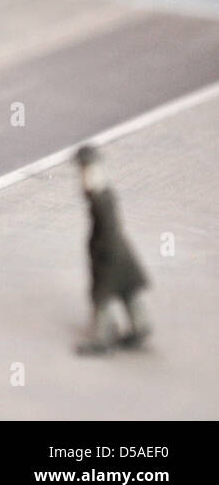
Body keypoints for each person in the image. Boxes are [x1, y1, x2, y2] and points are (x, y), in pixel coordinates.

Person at [75, 145, 151, 355]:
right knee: (127, 289)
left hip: (109, 255)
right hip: (119, 252)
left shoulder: (99, 197)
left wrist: (103, 253)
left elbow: (108, 228)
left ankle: (103, 340)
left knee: (101, 296)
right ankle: (141, 326)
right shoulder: (103, 193)